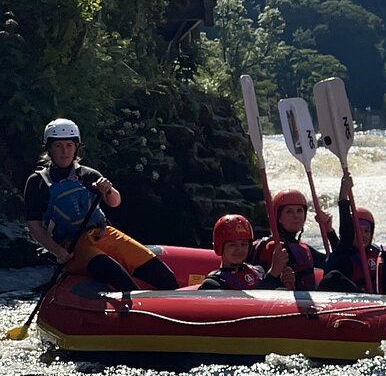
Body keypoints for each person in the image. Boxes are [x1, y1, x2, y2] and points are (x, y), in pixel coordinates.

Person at [24, 118, 178, 292]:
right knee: (115, 273)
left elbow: (115, 202)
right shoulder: (38, 182)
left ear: (76, 147)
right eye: (58, 146)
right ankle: (138, 309)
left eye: (69, 145)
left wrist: (107, 190)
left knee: (165, 277)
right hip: (71, 245)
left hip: (102, 234)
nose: (64, 151)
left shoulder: (88, 174)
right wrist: (56, 250)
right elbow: (33, 224)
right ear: (49, 149)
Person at [248, 189, 331, 291]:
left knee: (334, 276)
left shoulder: (299, 247)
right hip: (282, 302)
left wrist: (329, 231)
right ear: (279, 218)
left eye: (299, 211)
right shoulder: (275, 248)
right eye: (289, 212)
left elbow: (336, 263)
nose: (296, 216)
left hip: (305, 301)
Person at [199, 214, 295, 290]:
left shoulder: (258, 271)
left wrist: (284, 282)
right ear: (220, 247)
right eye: (232, 245)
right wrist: (273, 273)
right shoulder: (214, 284)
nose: (239, 250)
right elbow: (250, 304)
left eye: (243, 244)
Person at [319, 174, 380, 293]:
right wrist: (343, 198)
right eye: (357, 231)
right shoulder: (344, 257)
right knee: (334, 275)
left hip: (376, 302)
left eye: (367, 231)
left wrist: (330, 231)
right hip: (354, 303)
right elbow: (345, 239)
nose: (363, 235)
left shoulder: (376, 253)